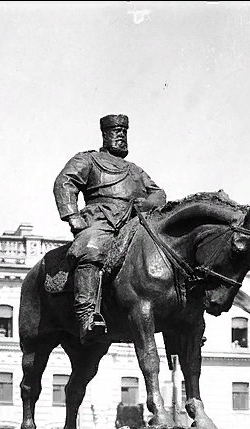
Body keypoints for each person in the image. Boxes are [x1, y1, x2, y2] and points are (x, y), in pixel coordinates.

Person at [53, 114, 167, 343]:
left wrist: (147, 203)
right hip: (100, 221)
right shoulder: (88, 160)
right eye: (116, 132)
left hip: (133, 224)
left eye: (124, 133)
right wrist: (72, 215)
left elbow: (158, 193)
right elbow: (64, 182)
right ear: (104, 135)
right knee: (91, 248)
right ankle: (86, 316)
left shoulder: (135, 170)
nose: (122, 137)